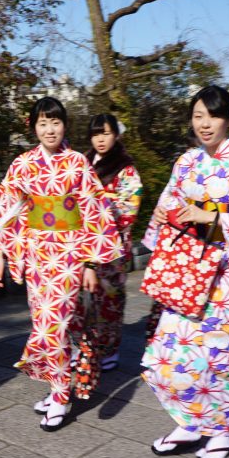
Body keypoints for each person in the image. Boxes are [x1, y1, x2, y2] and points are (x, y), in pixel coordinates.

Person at [142, 85, 229, 458]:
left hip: (227, 272)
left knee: (218, 354)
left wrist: (212, 216)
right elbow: (167, 206)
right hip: (186, 266)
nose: (204, 123)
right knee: (169, 351)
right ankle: (190, 420)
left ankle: (221, 430)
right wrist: (159, 250)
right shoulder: (186, 162)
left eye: (213, 115)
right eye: (198, 115)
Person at [0, 97, 122, 432]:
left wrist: (91, 262)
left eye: (56, 122)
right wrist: (1, 255)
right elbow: (9, 209)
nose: (50, 129)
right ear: (33, 126)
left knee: (53, 325)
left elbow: (94, 211)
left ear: (65, 125)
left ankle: (61, 395)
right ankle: (57, 386)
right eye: (43, 123)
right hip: (36, 254)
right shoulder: (23, 164)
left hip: (69, 254)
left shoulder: (78, 163)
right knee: (45, 323)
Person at [83, 114, 143, 373]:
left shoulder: (126, 168)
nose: (101, 139)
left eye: (106, 133)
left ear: (116, 135)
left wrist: (99, 207)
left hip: (112, 245)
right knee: (84, 298)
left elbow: (130, 206)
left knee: (110, 297)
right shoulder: (83, 163)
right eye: (96, 134)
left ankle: (110, 348)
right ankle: (88, 345)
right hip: (84, 244)